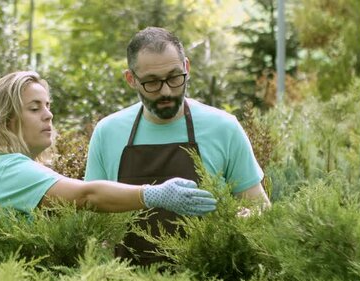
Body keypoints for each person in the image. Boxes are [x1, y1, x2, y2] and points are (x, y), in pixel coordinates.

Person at [0, 70, 218, 265]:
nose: (48, 115)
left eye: (48, 106)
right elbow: (86, 195)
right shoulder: (8, 169)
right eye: (34, 108)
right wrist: (154, 194)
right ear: (5, 121)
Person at [84, 27, 271, 266]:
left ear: (187, 68)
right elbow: (93, 213)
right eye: (151, 82)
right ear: (131, 79)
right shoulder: (108, 132)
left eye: (174, 78)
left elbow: (259, 206)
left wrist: (248, 218)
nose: (166, 91)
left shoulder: (223, 127)